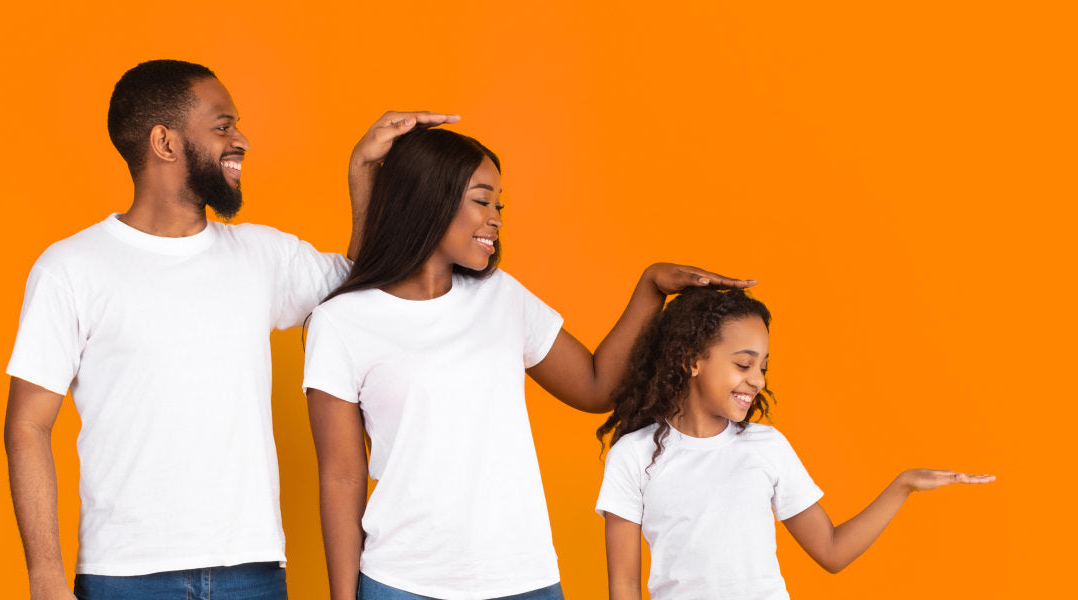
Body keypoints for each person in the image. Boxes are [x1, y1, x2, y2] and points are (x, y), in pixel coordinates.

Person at [3, 58, 456, 600]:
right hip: (124, 574)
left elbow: (358, 290)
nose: (240, 140)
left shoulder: (262, 255)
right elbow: (27, 425)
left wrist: (363, 171)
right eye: (222, 125)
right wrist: (46, 577)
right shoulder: (71, 268)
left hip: (252, 569)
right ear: (165, 143)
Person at [302, 126, 755, 600]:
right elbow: (341, 476)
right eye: (483, 201)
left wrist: (651, 289)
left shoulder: (502, 298)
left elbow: (596, 387)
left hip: (523, 579)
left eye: (499, 205)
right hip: (404, 582)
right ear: (429, 200)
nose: (496, 218)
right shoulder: (341, 322)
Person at [594, 287, 996, 600]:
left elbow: (832, 552)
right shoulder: (634, 456)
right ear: (692, 359)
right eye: (743, 364)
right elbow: (625, 586)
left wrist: (903, 485)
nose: (758, 380)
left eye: (763, 367)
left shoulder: (765, 447)